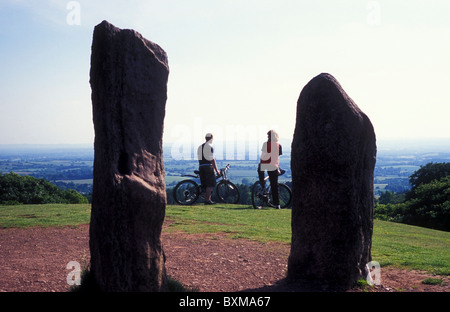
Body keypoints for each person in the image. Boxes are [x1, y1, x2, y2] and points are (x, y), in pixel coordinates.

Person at [258, 130, 283, 209]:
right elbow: (277, 157)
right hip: (273, 165)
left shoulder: (265, 144)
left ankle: (262, 185)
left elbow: (262, 156)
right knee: (274, 185)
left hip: (264, 164)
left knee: (261, 173)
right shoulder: (279, 145)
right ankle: (277, 204)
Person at [197, 133, 221, 204]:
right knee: (210, 184)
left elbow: (199, 158)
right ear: (211, 139)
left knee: (205, 184)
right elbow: (212, 159)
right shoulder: (210, 147)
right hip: (208, 166)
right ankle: (207, 200)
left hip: (201, 166)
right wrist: (217, 170)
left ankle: (208, 199)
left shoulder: (200, 147)